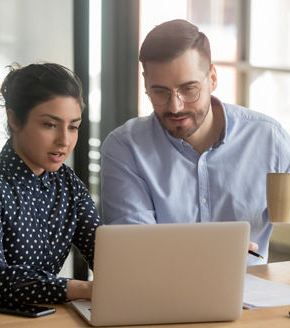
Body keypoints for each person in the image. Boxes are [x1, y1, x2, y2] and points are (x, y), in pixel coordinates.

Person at [100, 19, 290, 265]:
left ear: (212, 77)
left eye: (189, 89)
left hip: (253, 296)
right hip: (163, 295)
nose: (175, 106)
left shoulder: (268, 139)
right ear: (145, 82)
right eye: (160, 92)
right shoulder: (125, 148)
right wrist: (213, 250)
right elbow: (136, 250)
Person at [0, 62, 102, 304]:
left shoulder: (69, 184)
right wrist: (82, 288)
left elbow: (108, 256)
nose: (64, 140)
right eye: (50, 125)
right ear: (14, 120)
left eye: (73, 127)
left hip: (42, 316)